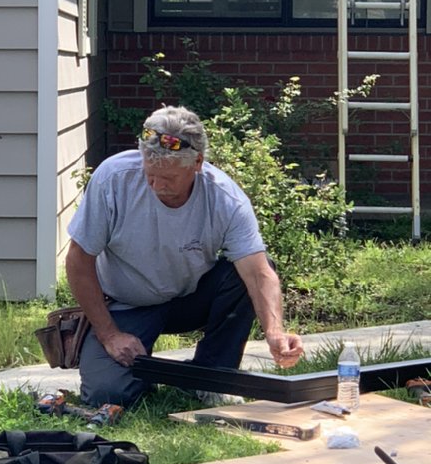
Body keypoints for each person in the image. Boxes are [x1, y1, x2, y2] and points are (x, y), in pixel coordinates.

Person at [66, 104, 304, 408]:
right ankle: (141, 373)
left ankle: (213, 376)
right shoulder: (113, 178)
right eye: (150, 174)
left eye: (168, 177)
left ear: (198, 163)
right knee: (108, 395)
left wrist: (274, 332)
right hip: (125, 305)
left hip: (189, 299)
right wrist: (109, 334)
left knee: (246, 272)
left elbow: (259, 274)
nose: (156, 185)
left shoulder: (225, 198)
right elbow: (78, 260)